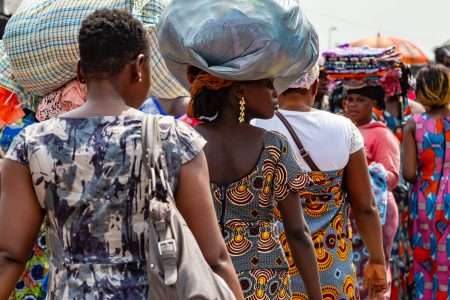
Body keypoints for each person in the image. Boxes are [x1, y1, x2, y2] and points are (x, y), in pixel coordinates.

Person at [0, 9, 243, 300]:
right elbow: (215, 257)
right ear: (139, 67)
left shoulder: (32, 144)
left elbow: (10, 255)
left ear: (80, 71)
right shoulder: (174, 140)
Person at [158, 1, 322, 299]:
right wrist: (315, 295)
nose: (276, 93)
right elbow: (298, 233)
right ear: (239, 94)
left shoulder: (183, 143)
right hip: (266, 283)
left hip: (201, 278)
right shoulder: (274, 147)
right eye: (268, 84)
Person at [255, 64, 388, 299]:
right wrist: (377, 260)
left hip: (270, 269)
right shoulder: (344, 129)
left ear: (276, 86)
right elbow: (365, 207)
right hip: (331, 270)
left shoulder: (256, 128)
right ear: (314, 86)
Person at [344, 85, 401, 299]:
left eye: (360, 99)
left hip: (377, 212)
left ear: (373, 105)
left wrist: (360, 174)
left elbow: (392, 176)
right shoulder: (343, 128)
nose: (352, 104)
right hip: (350, 213)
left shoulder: (381, 134)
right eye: (349, 98)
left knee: (373, 270)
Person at [403, 64, 450, 300]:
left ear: (419, 90)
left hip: (425, 200)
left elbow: (409, 173)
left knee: (425, 263)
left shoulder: (414, 124)